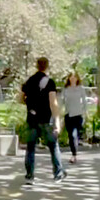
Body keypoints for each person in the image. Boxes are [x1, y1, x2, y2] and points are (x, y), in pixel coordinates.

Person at [19, 57, 66, 185]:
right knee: (53, 146)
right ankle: (58, 173)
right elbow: (53, 102)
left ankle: (29, 175)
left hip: (32, 118)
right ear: (47, 66)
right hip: (46, 118)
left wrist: (30, 104)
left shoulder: (30, 81)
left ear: (36, 65)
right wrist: (57, 120)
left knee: (30, 148)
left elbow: (20, 97)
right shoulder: (49, 82)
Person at [61, 72, 87, 164]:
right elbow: (61, 101)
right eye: (70, 77)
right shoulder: (66, 89)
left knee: (74, 134)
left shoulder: (80, 89)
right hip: (68, 115)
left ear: (77, 79)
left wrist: (85, 113)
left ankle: (74, 154)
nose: (72, 79)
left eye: (74, 77)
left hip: (78, 115)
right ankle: (73, 153)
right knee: (71, 136)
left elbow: (84, 102)